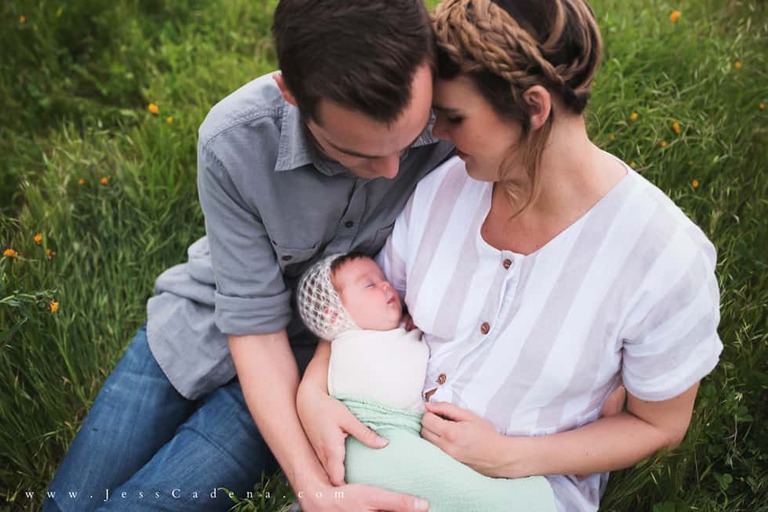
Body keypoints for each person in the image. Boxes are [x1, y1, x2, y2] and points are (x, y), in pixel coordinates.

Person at [297, 0, 724, 511]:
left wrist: (510, 456)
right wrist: (314, 394)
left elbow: (660, 425)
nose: (437, 135)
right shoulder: (441, 192)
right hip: (393, 438)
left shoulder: (663, 258)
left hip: (523, 489)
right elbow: (364, 311)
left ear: (534, 107)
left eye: (454, 117)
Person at [44, 1, 454, 511]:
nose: (393, 169)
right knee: (67, 504)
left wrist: (315, 480)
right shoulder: (234, 140)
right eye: (361, 153)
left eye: (409, 139)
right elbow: (254, 330)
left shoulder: (454, 118)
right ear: (292, 95)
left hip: (317, 363)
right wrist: (316, 494)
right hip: (199, 327)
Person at [296, 252, 556, 511]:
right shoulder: (345, 343)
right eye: (369, 285)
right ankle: (515, 503)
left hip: (402, 434)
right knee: (446, 484)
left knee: (443, 478)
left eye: (384, 278)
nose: (386, 285)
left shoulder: (399, 333)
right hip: (369, 440)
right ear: (333, 316)